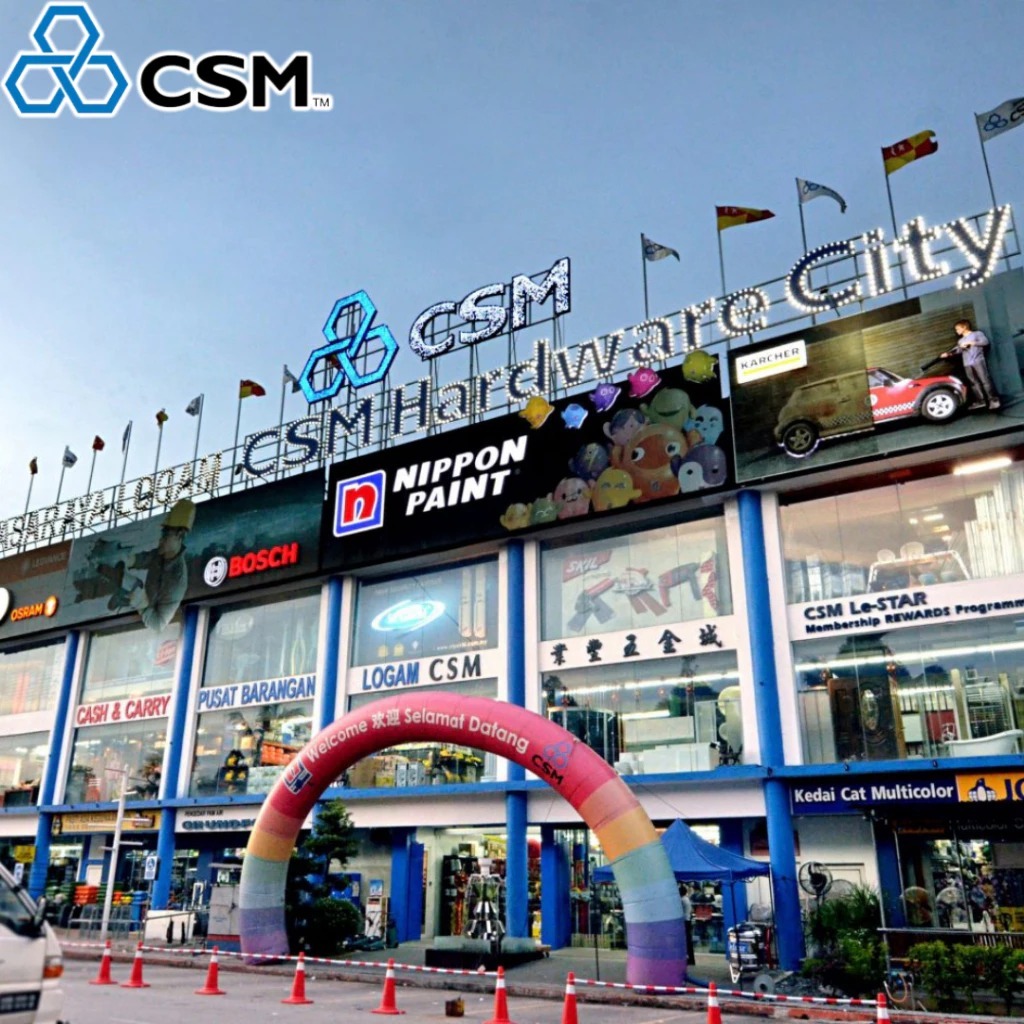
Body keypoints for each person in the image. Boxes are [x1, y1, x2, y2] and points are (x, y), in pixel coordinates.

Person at [108, 498, 195, 630]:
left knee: (134, 586)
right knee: (129, 581)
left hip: (146, 623)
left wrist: (141, 604)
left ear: (180, 535)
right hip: (140, 605)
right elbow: (143, 559)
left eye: (166, 534)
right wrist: (126, 558)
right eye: (163, 533)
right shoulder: (161, 555)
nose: (161, 539)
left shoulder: (177, 580)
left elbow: (158, 624)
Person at [942, 318, 1000, 411]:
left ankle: (993, 400)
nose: (956, 331)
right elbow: (958, 350)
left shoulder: (977, 334)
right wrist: (949, 354)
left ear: (964, 327)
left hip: (978, 361)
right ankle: (981, 401)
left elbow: (985, 342)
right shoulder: (960, 341)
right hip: (967, 364)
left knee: (985, 380)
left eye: (958, 329)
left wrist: (972, 343)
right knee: (973, 383)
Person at [680, 884, 695, 966]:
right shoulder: (687, 899)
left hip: (684, 921)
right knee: (688, 940)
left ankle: (688, 958)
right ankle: (691, 958)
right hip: (688, 920)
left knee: (686, 941)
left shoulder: (682, 900)